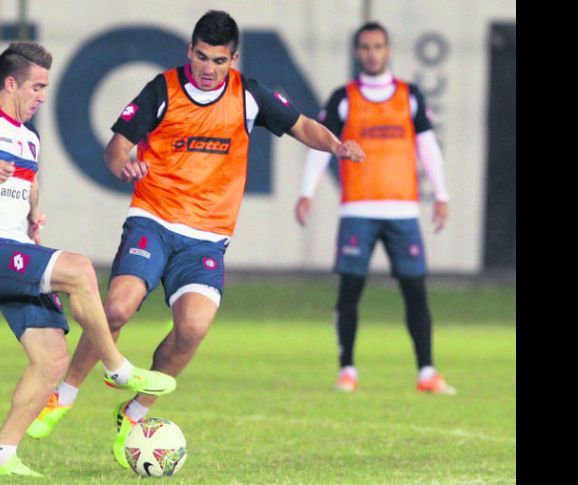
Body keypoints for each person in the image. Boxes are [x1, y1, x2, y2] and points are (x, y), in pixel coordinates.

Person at [24, 11, 365, 468]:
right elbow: (115, 148)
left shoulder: (249, 95)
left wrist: (336, 145)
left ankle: (135, 411)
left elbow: (302, 124)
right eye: (201, 56)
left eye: (218, 60)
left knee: (194, 328)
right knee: (118, 308)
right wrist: (124, 164)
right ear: (189, 50)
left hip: (206, 239)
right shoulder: (162, 90)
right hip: (153, 219)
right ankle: (63, 395)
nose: (208, 67)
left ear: (233, 59)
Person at [0, 41, 176, 477]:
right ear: (10, 82)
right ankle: (117, 368)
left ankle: (0, 456)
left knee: (52, 360)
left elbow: (29, 179)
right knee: (79, 269)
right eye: (37, 86)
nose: (43, 96)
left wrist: (32, 215)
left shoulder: (30, 135)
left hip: (13, 247)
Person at [294, 22, 455, 395]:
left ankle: (427, 372)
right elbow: (322, 145)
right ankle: (347, 369)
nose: (372, 53)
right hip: (358, 210)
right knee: (350, 291)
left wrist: (442, 195)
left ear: (388, 50)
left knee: (415, 291)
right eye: (365, 47)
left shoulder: (409, 96)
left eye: (378, 46)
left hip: (403, 211)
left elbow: (428, 148)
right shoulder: (343, 98)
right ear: (356, 52)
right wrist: (307, 192)